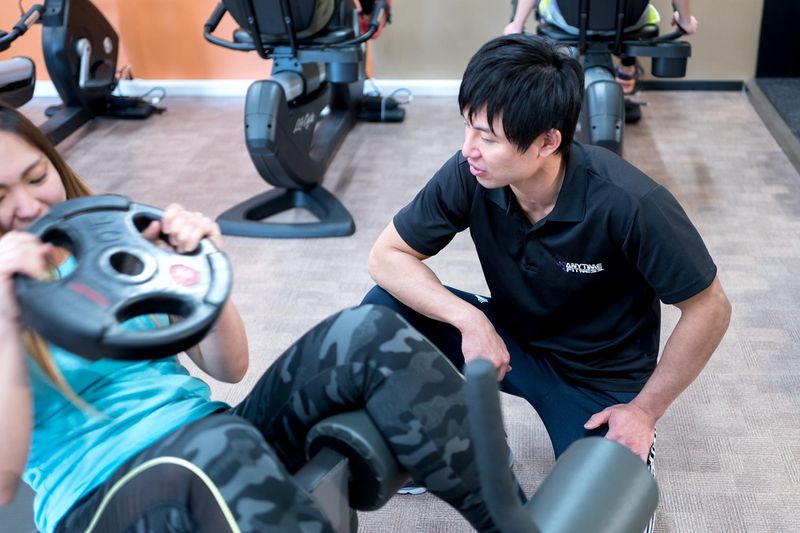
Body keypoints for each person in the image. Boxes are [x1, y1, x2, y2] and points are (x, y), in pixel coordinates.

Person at [0, 103, 501, 533]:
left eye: (37, 177)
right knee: (220, 449)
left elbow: (230, 367)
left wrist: (199, 273)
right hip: (98, 497)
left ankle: (508, 518)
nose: (26, 206)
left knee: (370, 333)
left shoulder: (106, 241)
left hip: (207, 435)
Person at [362, 33, 731, 512]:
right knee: (384, 310)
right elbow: (386, 255)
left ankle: (620, 462)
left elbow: (710, 307)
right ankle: (464, 448)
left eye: (487, 137)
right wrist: (470, 321)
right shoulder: (471, 173)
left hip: (599, 381)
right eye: (467, 127)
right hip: (515, 340)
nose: (468, 148)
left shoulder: (630, 203)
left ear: (547, 142)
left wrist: (644, 411)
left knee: (589, 517)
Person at [504, 0, 699, 95]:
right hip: (629, 23)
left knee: (544, 5)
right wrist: (685, 20)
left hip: (568, 22)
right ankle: (627, 65)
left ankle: (568, 61)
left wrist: (517, 24)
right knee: (649, 13)